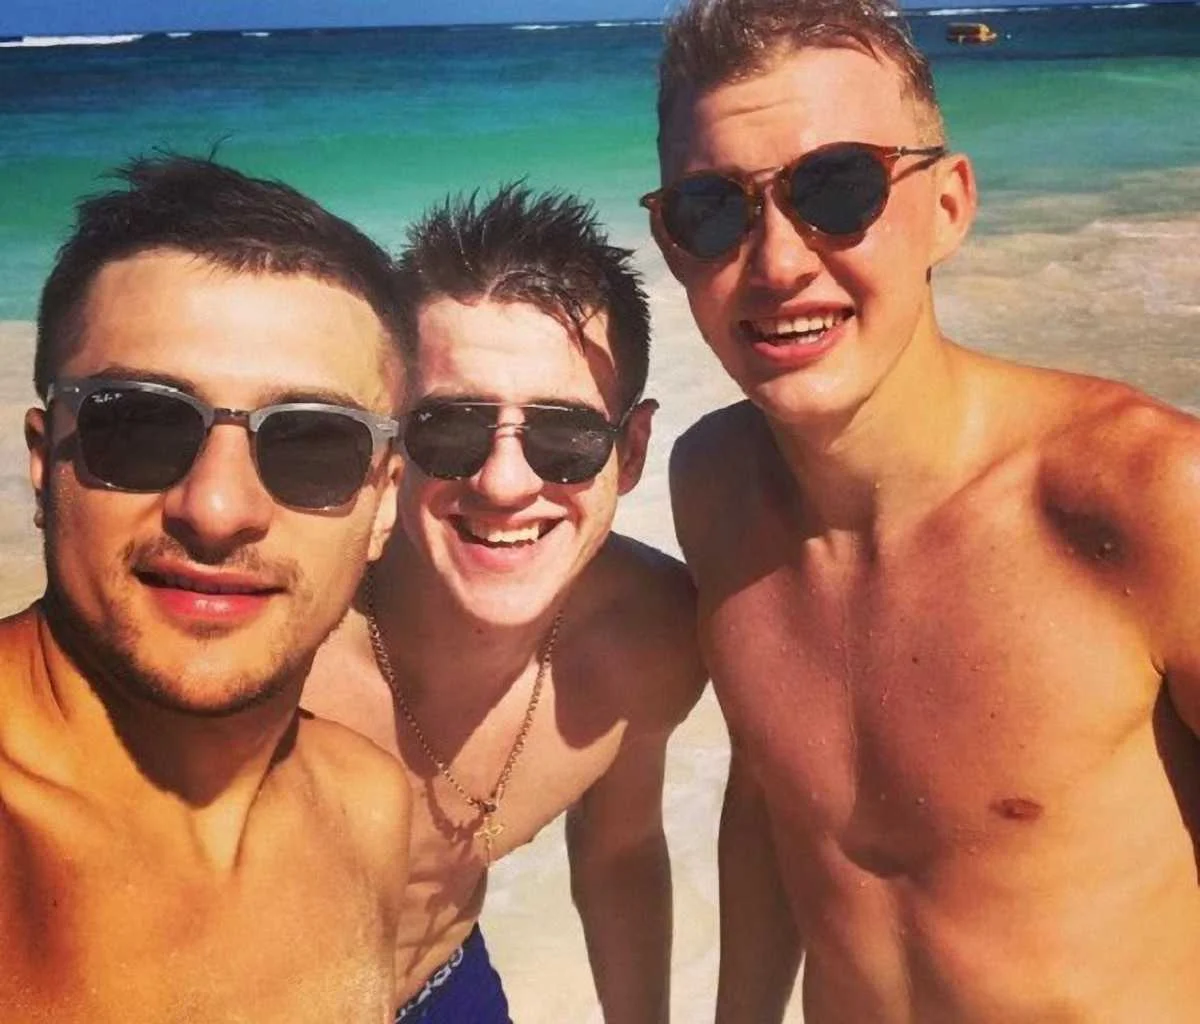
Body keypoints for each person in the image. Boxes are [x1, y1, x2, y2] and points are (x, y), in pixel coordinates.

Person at [647, 0, 1200, 1021]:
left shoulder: (1148, 498)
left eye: (836, 188)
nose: (778, 263)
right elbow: (771, 799)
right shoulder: (713, 487)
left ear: (948, 205)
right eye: (714, 210)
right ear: (671, 244)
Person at [3, 155, 413, 1021]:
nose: (218, 508)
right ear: (44, 464)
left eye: (311, 444)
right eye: (140, 424)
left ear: (384, 504)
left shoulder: (368, 808)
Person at [302, 184, 707, 1023]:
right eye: (452, 427)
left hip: (448, 983)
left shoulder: (653, 637)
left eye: (565, 437)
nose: (505, 482)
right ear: (389, 439)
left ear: (630, 451)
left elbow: (621, 850)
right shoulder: (284, 641)